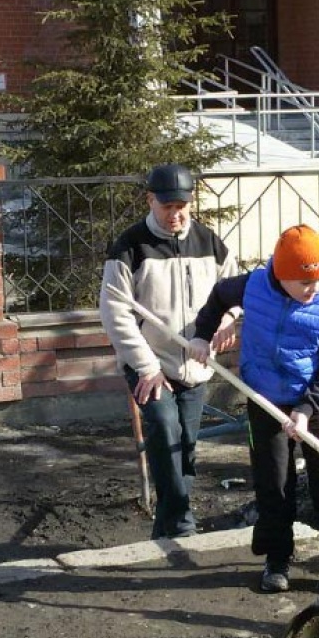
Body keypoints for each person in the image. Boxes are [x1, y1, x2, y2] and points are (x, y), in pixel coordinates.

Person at [188, 225, 319, 594]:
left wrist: (306, 408)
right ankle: (277, 557)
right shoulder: (253, 287)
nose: (315, 289)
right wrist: (201, 334)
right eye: (305, 283)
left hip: (312, 400)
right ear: (282, 275)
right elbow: (218, 298)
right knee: (273, 480)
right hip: (262, 397)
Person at [99, 164, 240, 540]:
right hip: (149, 363)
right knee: (164, 428)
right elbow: (115, 314)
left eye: (182, 205)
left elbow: (232, 291)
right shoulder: (130, 247)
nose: (176, 214)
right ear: (150, 200)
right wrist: (145, 367)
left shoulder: (210, 242)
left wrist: (229, 320)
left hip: (196, 364)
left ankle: (167, 524)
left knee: (186, 444)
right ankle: (182, 521)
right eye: (167, 206)